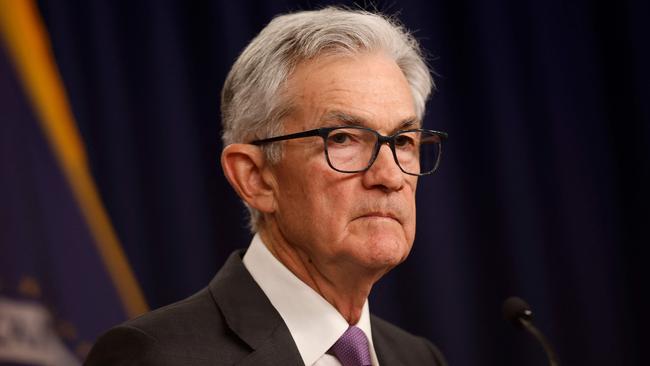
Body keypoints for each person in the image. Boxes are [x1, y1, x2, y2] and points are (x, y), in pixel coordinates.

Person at [85, 7, 448, 366]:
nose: (389, 177)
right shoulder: (154, 357)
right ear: (255, 178)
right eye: (343, 139)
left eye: (403, 141)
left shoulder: (419, 358)